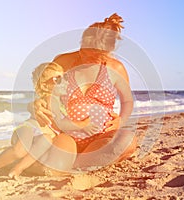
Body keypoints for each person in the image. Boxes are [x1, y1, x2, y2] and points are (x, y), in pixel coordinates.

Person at [32, 13, 138, 170]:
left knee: (128, 140)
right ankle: (72, 160)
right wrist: (37, 104)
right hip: (66, 135)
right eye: (83, 51)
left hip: (99, 139)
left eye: (92, 57)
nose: (84, 57)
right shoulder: (63, 62)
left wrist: (121, 120)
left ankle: (78, 163)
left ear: (106, 54)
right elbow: (44, 90)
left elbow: (128, 101)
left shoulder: (116, 69)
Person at [0, 62, 98, 180]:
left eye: (65, 77)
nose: (65, 82)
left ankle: (18, 168)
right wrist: (83, 125)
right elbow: (60, 123)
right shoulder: (51, 98)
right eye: (57, 79)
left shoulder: (59, 101)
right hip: (30, 128)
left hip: (43, 135)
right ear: (45, 86)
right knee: (19, 151)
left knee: (44, 142)